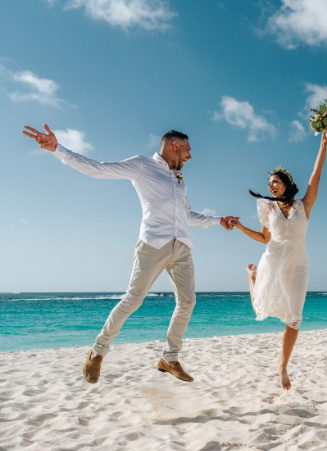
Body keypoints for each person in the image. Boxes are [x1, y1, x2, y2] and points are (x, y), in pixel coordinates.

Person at [21, 124, 238, 384]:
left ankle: (169, 358)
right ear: (174, 146)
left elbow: (187, 215)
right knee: (133, 300)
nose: (190, 157)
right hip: (153, 245)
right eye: (188, 150)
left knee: (188, 302)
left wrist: (218, 220)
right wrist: (58, 149)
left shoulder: (178, 179)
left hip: (182, 247)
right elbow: (97, 169)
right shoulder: (142, 165)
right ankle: (98, 351)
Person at [232, 128, 327, 390]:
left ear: (286, 183)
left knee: (295, 318)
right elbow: (266, 238)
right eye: (269, 185)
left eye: (275, 182)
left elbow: (316, 175)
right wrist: (242, 228)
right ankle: (252, 278)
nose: (271, 186)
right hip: (273, 260)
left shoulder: (304, 205)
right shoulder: (267, 207)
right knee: (258, 308)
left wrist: (324, 142)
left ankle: (282, 366)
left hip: (299, 264)